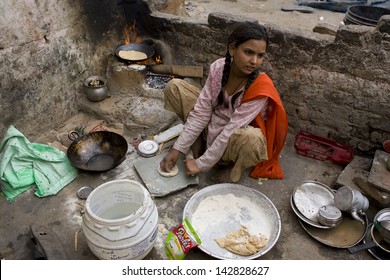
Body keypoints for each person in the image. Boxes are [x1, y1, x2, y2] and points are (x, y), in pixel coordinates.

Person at [159, 21, 288, 183]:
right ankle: (199, 141)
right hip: (210, 125)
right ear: (232, 49)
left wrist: (201, 164)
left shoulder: (260, 88)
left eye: (260, 55)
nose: (254, 61)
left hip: (233, 139)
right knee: (175, 87)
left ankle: (233, 166)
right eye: (248, 52)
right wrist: (178, 148)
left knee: (253, 139)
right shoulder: (218, 68)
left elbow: (230, 130)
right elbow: (202, 111)